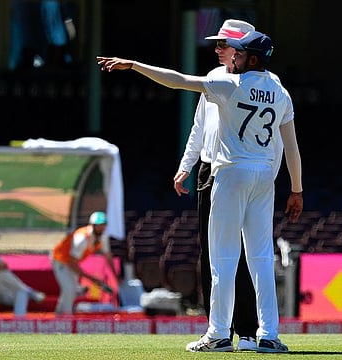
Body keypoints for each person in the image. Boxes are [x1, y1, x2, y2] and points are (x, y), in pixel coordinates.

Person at [97, 29, 303, 353]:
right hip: (265, 176)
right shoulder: (280, 91)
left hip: (231, 173)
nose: (231, 56)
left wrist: (135, 64)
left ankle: (219, 334)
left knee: (223, 258)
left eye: (238, 53)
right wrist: (297, 189)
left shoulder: (229, 85)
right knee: (261, 258)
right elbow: (291, 146)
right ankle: (269, 335)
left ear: (250, 58)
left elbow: (177, 80)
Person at [173, 19, 260, 352]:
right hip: (211, 172)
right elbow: (199, 128)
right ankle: (219, 330)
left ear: (241, 48)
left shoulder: (256, 83)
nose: (217, 48)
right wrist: (186, 166)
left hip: (237, 172)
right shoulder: (213, 78)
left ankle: (247, 331)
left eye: (224, 44)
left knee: (241, 255)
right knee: (214, 255)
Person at [50, 211, 119, 316]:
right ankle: (67, 318)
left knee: (69, 290)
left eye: (103, 225)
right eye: (98, 225)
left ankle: (59, 316)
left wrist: (115, 275)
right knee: (70, 289)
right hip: (60, 260)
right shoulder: (81, 239)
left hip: (72, 262)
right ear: (92, 225)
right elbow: (72, 263)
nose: (101, 228)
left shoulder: (103, 237)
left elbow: (108, 256)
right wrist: (92, 279)